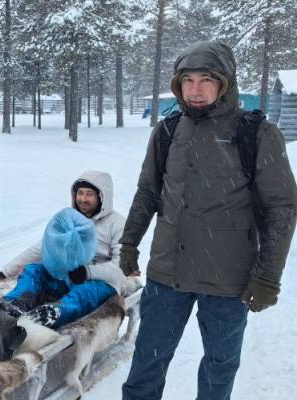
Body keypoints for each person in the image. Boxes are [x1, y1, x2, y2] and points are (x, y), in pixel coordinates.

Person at [120, 41, 297, 400]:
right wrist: (129, 242)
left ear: (224, 83)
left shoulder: (257, 134)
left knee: (219, 369)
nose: (195, 90)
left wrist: (268, 277)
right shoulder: (167, 131)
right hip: (167, 274)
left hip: (227, 281)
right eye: (187, 80)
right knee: (146, 367)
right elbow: (147, 193)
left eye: (205, 79)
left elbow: (281, 209)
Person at [0, 171, 127, 327]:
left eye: (89, 194)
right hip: (67, 276)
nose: (83, 199)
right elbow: (42, 248)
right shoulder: (69, 219)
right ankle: (13, 304)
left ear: (102, 197)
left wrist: (87, 272)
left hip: (99, 282)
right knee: (34, 270)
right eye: (80, 193)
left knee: (84, 293)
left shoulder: (117, 224)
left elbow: (120, 266)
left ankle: (54, 313)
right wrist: (5, 272)